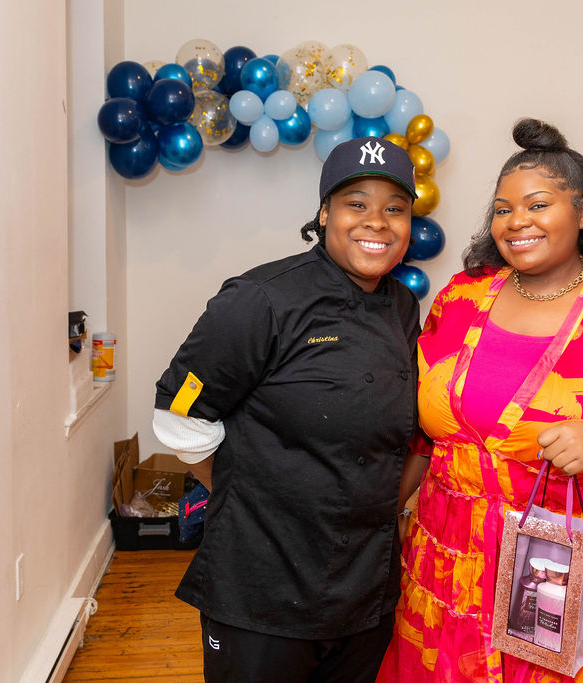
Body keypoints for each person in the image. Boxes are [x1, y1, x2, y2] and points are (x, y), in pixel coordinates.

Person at [376, 119, 583, 683]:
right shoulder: (460, 299)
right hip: (445, 564)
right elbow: (421, 431)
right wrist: (381, 510)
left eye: (537, 204)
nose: (517, 222)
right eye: (503, 208)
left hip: (557, 570)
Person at [151, 137, 423, 683]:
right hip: (263, 584)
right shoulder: (261, 298)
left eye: (395, 208)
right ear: (324, 214)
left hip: (363, 584)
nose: (377, 221)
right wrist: (249, 494)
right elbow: (178, 412)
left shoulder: (401, 304)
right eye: (356, 204)